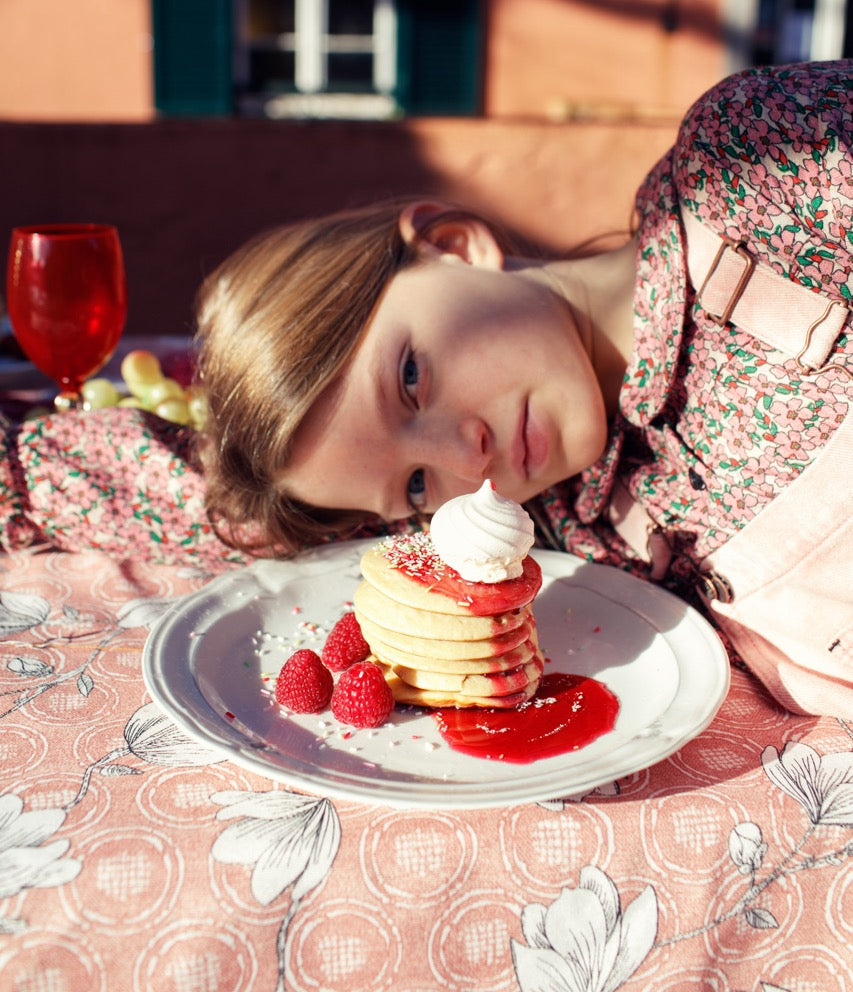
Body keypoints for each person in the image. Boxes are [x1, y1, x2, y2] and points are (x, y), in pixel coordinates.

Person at [2, 60, 851, 716]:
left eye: (408, 380)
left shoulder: (751, 176)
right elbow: (206, 502)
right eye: (414, 485)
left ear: (451, 243)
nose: (462, 457)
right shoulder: (562, 519)